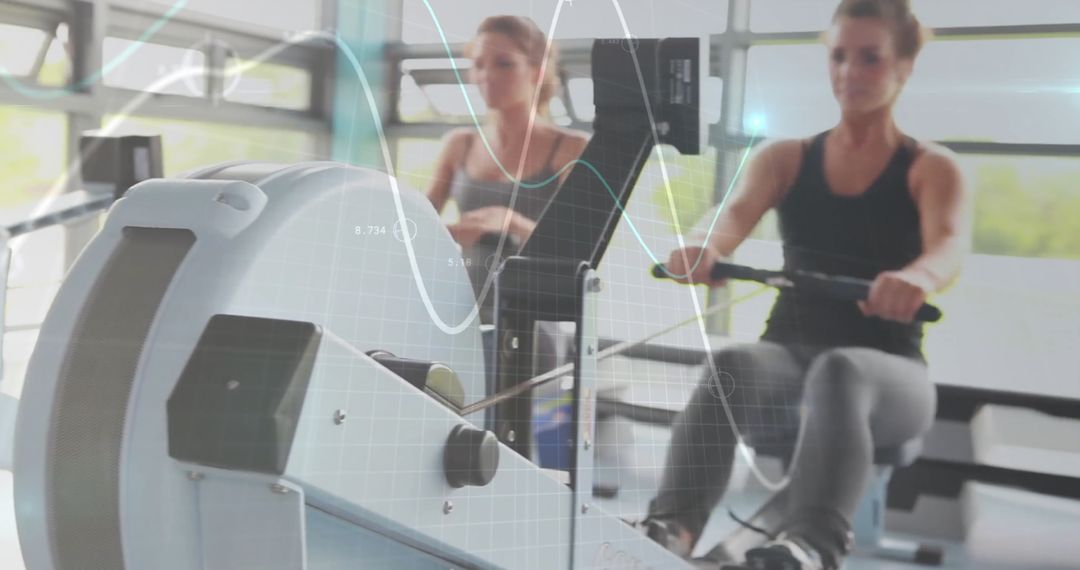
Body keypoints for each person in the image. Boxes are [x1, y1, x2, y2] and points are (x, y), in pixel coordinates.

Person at [641, 1, 972, 569]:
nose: (849, 73)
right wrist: (706, 248)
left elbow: (949, 245)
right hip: (789, 360)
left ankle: (812, 546)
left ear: (905, 66)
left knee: (840, 370)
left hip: (892, 375)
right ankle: (673, 527)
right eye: (839, 57)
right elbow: (729, 217)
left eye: (870, 59)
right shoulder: (786, 159)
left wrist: (916, 277)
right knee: (735, 363)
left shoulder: (930, 167)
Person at [426, 15, 589, 323]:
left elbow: (580, 252)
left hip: (535, 316)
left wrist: (511, 223)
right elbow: (419, 226)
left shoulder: (572, 148)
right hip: (460, 311)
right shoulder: (458, 144)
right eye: (479, 64)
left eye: (503, 63)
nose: (486, 74)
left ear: (537, 73)